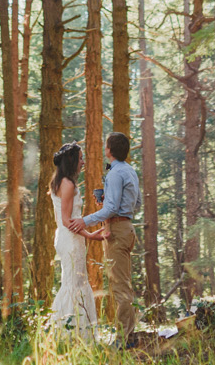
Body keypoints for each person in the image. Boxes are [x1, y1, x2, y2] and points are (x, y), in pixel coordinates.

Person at [70, 131, 141, 346]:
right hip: (127, 228)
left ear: (109, 150)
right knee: (124, 284)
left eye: (105, 145)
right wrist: (107, 200)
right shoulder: (130, 171)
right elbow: (135, 204)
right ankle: (130, 334)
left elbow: (111, 208)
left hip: (118, 231)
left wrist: (85, 220)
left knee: (119, 287)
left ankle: (123, 339)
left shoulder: (114, 174)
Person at [49, 142, 108, 334]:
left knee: (76, 283)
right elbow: (67, 220)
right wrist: (90, 234)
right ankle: (68, 332)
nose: (83, 162)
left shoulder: (59, 181)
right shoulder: (67, 184)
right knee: (74, 285)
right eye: (81, 158)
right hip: (71, 239)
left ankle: (74, 332)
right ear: (72, 161)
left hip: (69, 238)